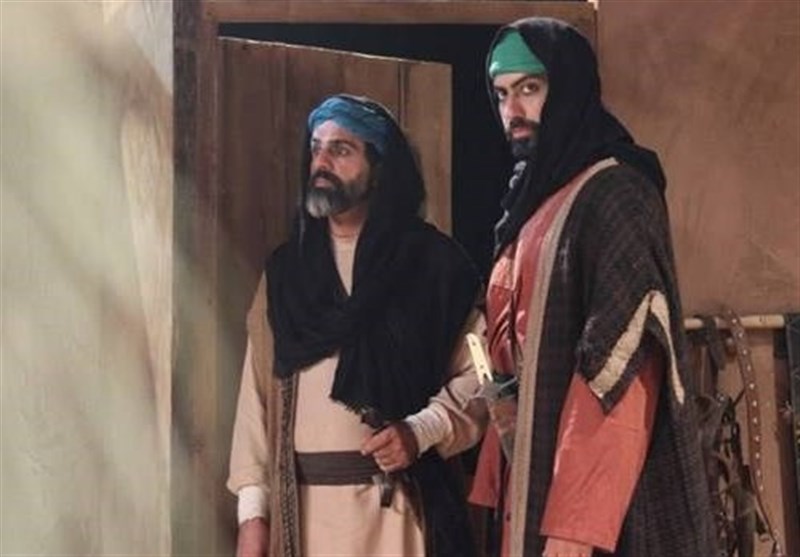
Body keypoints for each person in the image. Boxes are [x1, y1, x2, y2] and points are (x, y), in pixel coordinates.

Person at [468, 17, 718, 557]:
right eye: (502, 94)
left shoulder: (615, 194)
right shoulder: (533, 201)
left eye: (530, 88)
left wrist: (574, 531)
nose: (513, 111)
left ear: (569, 86)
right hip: (531, 475)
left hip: (597, 512)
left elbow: (620, 371)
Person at [227, 93, 488, 557]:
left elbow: (485, 374)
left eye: (341, 149)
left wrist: (420, 430)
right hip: (304, 518)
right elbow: (255, 397)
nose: (321, 162)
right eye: (316, 148)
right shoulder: (286, 275)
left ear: (380, 168)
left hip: (401, 517)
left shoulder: (434, 267)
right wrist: (253, 514)